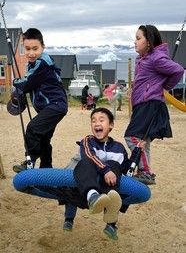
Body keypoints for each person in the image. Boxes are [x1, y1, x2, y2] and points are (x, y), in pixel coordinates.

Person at [63, 107, 146, 241]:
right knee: (86, 162)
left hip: (107, 189)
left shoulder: (119, 148)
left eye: (101, 120)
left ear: (111, 125)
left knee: (114, 164)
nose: (97, 124)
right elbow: (89, 155)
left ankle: (111, 221)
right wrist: (106, 170)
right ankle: (90, 199)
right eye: (93, 121)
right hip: (85, 188)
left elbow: (126, 169)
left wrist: (137, 152)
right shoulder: (88, 141)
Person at [124, 24, 184, 185]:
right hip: (141, 105)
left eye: (138, 38)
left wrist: (165, 87)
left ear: (149, 42)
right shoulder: (141, 59)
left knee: (131, 137)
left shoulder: (156, 58)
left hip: (150, 103)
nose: (134, 42)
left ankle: (146, 172)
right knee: (143, 140)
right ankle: (145, 172)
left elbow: (178, 70)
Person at [12, 28, 68, 173]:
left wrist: (16, 82)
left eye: (35, 48)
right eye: (28, 48)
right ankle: (46, 169)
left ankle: (30, 162)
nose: (31, 53)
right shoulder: (36, 64)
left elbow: (27, 84)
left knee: (33, 129)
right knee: (43, 138)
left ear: (43, 46)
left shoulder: (41, 63)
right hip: (53, 107)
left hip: (54, 105)